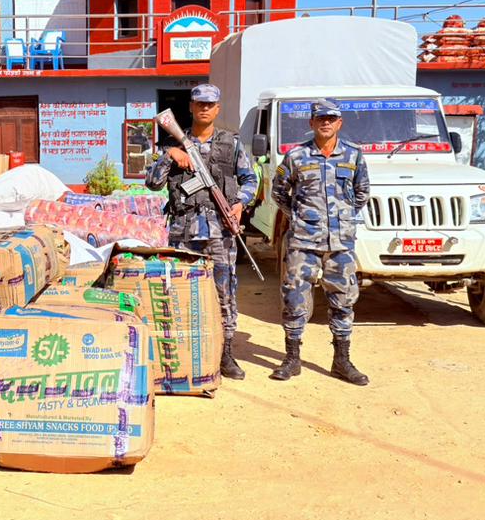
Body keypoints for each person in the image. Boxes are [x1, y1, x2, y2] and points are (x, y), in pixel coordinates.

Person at [145, 83, 258, 380]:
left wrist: (239, 204)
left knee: (224, 292)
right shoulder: (174, 145)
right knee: (180, 295)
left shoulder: (230, 144)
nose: (205, 108)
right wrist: (171, 155)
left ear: (217, 109)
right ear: (191, 108)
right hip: (184, 234)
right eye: (200, 103)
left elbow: (250, 181)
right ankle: (181, 356)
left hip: (220, 233)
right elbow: (153, 184)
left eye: (210, 104)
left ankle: (226, 354)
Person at [270, 98, 370, 385]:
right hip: (303, 242)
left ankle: (342, 360)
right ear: (311, 123)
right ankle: (292, 359)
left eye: (331, 118)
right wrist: (301, 216)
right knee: (294, 298)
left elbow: (361, 192)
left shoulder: (354, 156)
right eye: (320, 118)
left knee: (343, 300)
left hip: (341, 244)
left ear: (339, 122)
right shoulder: (296, 157)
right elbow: (279, 192)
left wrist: (343, 218)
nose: (326, 122)